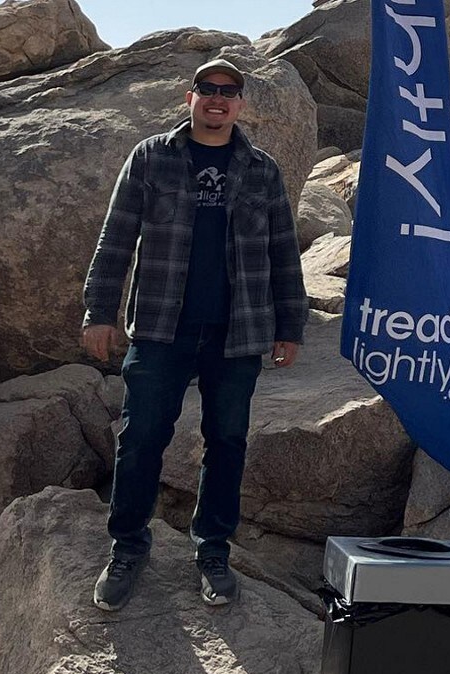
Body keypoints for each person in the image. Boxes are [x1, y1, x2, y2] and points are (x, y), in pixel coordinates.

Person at [81, 59, 307, 610]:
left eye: (229, 93)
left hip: (238, 332)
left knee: (226, 443)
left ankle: (212, 551)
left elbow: (283, 251)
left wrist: (290, 324)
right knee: (141, 440)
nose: (217, 100)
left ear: (241, 105)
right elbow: (117, 238)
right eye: (208, 90)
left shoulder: (262, 169)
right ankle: (128, 547)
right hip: (161, 329)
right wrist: (98, 312)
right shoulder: (151, 157)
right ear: (190, 97)